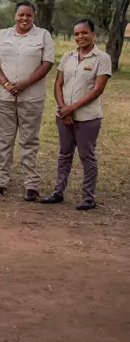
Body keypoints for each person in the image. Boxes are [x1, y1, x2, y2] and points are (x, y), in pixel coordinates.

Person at [0, 1, 54, 200]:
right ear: (15, 16)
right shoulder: (2, 35)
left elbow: (47, 63)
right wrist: (6, 83)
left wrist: (24, 84)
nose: (25, 19)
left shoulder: (43, 35)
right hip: (5, 96)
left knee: (29, 140)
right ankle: (0, 182)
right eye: (21, 15)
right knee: (4, 140)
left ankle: (31, 185)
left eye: (29, 15)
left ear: (34, 17)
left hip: (31, 97)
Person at [41, 19, 111, 211]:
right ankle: (58, 193)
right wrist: (63, 108)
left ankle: (89, 198)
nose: (80, 37)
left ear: (93, 34)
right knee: (64, 154)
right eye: (77, 34)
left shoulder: (102, 58)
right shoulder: (68, 56)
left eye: (84, 33)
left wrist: (72, 108)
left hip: (88, 117)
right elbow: (58, 84)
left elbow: (97, 89)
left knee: (87, 156)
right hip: (64, 116)